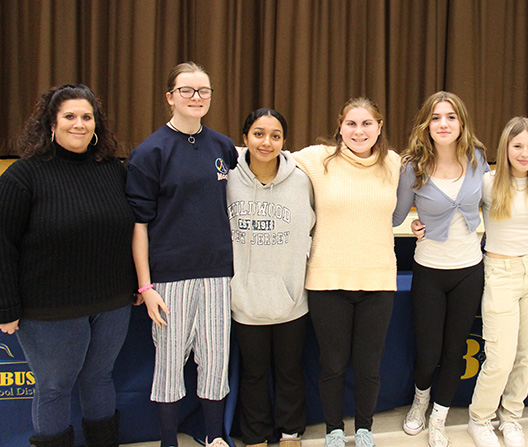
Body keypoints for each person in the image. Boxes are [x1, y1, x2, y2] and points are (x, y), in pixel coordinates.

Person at [0, 84, 135, 447]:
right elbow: (2, 246)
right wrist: (6, 306)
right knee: (55, 388)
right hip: (49, 309)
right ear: (51, 124)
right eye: (70, 116)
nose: (80, 124)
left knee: (100, 378)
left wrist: (135, 285)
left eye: (87, 117)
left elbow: (129, 233)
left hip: (112, 301)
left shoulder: (112, 170)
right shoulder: (22, 176)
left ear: (96, 125)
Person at [126, 62, 238, 447]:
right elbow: (139, 226)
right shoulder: (149, 152)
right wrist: (145, 286)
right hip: (169, 279)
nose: (196, 98)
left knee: (215, 362)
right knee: (170, 366)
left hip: (218, 274)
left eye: (203, 91)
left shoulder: (223, 147)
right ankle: (168, 442)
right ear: (170, 97)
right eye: (187, 91)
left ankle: (214, 437)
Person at [292, 97, 401, 447]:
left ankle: (365, 428)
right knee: (333, 365)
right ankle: (334, 430)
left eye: (367, 123)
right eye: (351, 124)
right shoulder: (317, 159)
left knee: (369, 366)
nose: (359, 131)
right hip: (328, 282)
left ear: (379, 127)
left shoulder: (395, 164)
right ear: (340, 126)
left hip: (378, 282)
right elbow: (263, 154)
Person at [392, 91, 489, 447]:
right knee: (429, 350)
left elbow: (494, 205)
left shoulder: (478, 159)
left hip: (469, 270)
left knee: (454, 350)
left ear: (461, 122)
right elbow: (397, 216)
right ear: (426, 124)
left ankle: (439, 416)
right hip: (429, 271)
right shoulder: (412, 166)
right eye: (436, 117)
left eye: (450, 117)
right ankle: (420, 400)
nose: (443, 124)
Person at [227, 109, 315, 447]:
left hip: (291, 298)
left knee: (290, 373)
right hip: (246, 300)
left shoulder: (302, 180)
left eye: (275, 135)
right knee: (253, 375)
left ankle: (290, 434)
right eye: (259, 134)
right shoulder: (228, 178)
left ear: (284, 141)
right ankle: (256, 437)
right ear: (245, 136)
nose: (267, 142)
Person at [466, 117, 528, 447]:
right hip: (500, 273)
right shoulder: (487, 183)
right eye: (517, 146)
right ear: (505, 147)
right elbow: (455, 210)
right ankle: (480, 418)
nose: (525, 153)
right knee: (500, 357)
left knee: (527, 354)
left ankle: (511, 416)